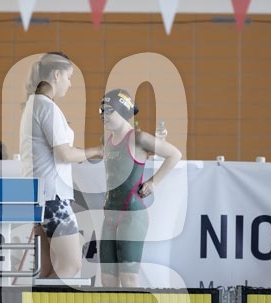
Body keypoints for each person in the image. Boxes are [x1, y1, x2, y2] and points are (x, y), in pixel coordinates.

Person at [19, 52, 103, 279]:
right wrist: (97, 150)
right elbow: (65, 154)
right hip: (53, 198)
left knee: (47, 270)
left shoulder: (33, 105)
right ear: (56, 75)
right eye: (69, 77)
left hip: (40, 197)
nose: (70, 83)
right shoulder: (46, 107)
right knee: (70, 265)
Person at [99, 89, 181, 287]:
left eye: (109, 110)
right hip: (109, 215)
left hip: (132, 214)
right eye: (101, 111)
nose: (103, 115)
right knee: (107, 280)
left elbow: (175, 154)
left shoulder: (139, 138)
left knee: (128, 277)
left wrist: (153, 182)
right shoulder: (106, 140)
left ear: (123, 111)